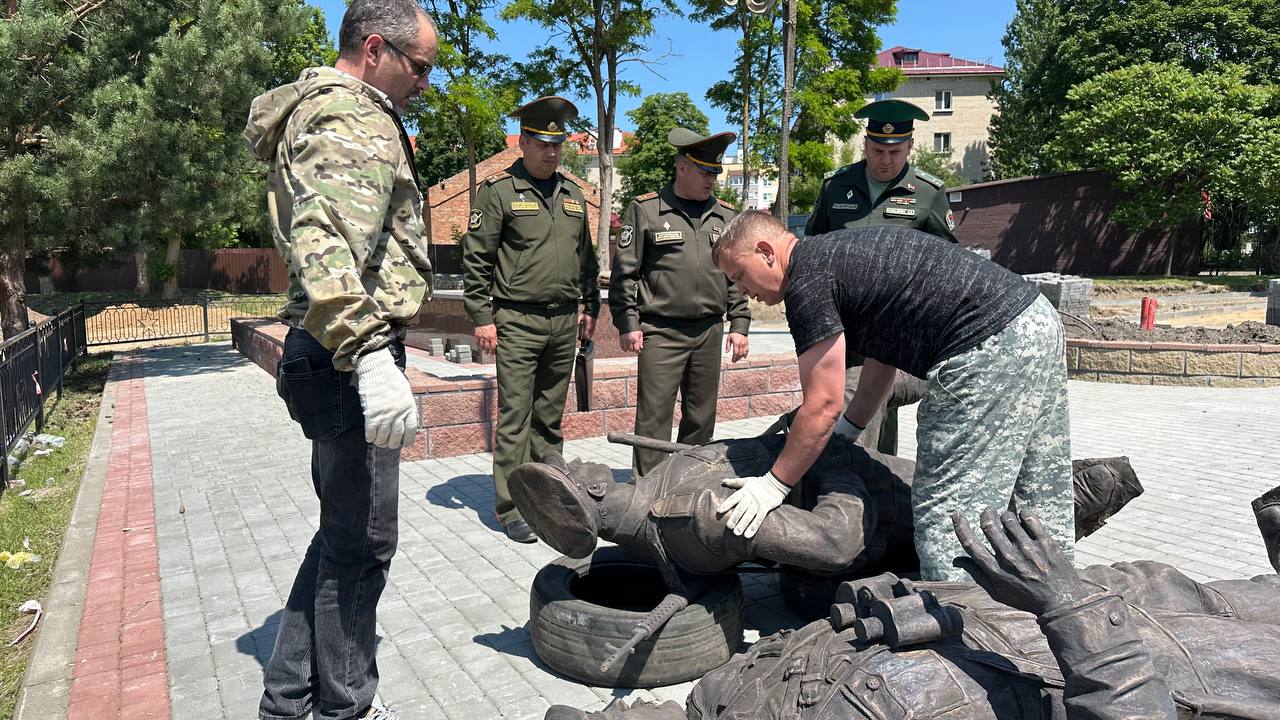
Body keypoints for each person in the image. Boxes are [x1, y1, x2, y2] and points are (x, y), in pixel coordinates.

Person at [542, 494, 1280, 720]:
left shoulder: (716, 695)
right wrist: (1066, 603)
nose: (616, 711)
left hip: (1098, 600)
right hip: (1158, 660)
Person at [243, 1, 436, 718]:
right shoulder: (351, 114)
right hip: (346, 353)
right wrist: (371, 358)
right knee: (364, 546)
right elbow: (324, 237)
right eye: (419, 68)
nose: (423, 83)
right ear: (376, 49)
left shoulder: (330, 110)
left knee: (343, 537)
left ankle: (289, 699)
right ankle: (346, 706)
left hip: (333, 349)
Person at [507, 366, 1140, 579]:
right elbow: (834, 543)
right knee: (1052, 504)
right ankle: (1075, 509)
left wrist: (800, 427)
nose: (577, 457)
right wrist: (834, 457)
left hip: (822, 465)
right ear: (593, 487)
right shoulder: (693, 516)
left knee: (854, 388)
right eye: (570, 467)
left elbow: (749, 455)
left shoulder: (647, 493)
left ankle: (946, 372)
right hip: (896, 507)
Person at [711, 212, 1073, 581]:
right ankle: (1059, 603)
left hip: (985, 343)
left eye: (739, 275)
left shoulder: (807, 281)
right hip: (1034, 317)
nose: (741, 291)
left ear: (766, 252)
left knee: (948, 512)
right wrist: (849, 431)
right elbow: (881, 361)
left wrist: (773, 485)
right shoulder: (837, 255)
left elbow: (822, 404)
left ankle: (962, 622)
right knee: (1040, 486)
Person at [462, 96, 601, 543]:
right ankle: (510, 506)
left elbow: (587, 261)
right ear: (523, 143)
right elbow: (477, 260)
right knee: (516, 416)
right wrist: (482, 316)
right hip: (517, 320)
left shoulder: (574, 195)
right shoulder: (499, 193)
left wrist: (591, 307)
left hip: (563, 321)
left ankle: (550, 494)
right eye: (542, 143)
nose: (551, 152)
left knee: (550, 418)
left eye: (558, 145)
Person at [806, 98, 958, 457]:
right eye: (877, 150)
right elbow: (812, 249)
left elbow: (948, 262)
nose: (885, 159)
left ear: (910, 146)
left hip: (894, 327)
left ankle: (879, 477)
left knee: (879, 407)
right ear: (866, 144)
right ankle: (819, 475)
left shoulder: (927, 193)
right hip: (839, 325)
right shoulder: (836, 186)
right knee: (825, 401)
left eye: (895, 150)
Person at [609, 127, 751, 476]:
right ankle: (647, 490)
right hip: (661, 330)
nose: (712, 180)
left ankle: (687, 484)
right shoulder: (647, 210)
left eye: (715, 173)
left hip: (708, 331)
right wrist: (628, 324)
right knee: (654, 416)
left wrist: (740, 323)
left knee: (701, 417)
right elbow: (625, 273)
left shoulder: (724, 215)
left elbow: (734, 274)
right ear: (682, 167)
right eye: (705, 172)